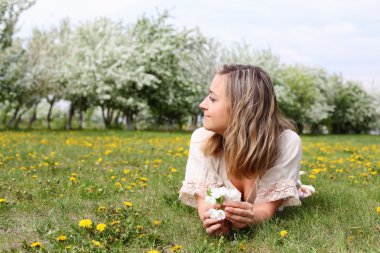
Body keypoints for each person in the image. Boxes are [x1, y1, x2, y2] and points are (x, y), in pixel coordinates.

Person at [179, 64, 314, 236]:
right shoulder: (201, 138)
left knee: (290, 186)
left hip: (278, 171)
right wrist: (211, 218)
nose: (202, 104)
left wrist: (250, 217)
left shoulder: (286, 142)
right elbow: (204, 200)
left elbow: (265, 209)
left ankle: (294, 186)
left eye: (212, 98)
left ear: (242, 107)